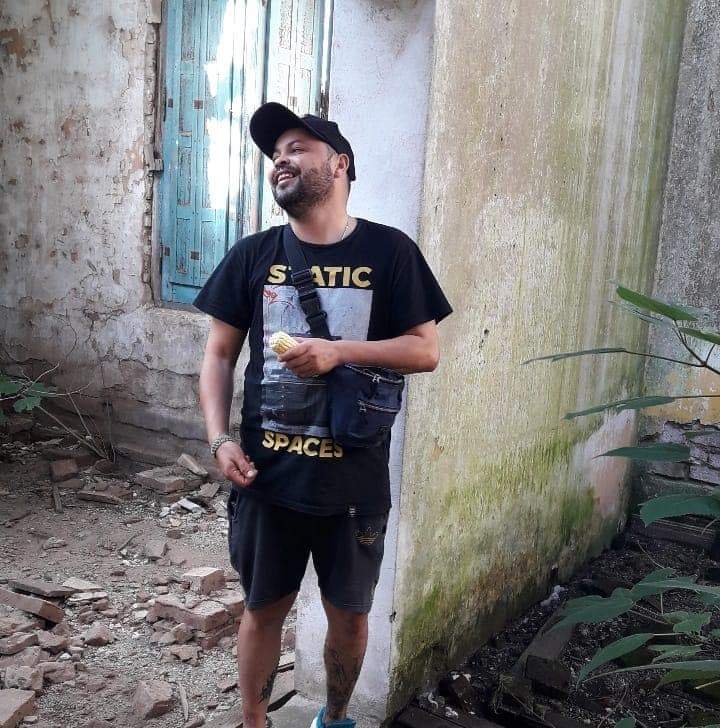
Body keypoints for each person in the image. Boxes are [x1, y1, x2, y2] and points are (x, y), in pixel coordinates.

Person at [194, 101, 452, 728]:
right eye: (275, 152)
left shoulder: (390, 252)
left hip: (353, 485)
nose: (280, 159)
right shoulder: (254, 254)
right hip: (267, 479)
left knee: (351, 619)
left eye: (297, 148)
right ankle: (254, 721)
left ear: (339, 164)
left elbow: (425, 350)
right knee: (261, 611)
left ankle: (334, 718)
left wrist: (339, 352)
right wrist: (219, 439)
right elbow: (219, 355)